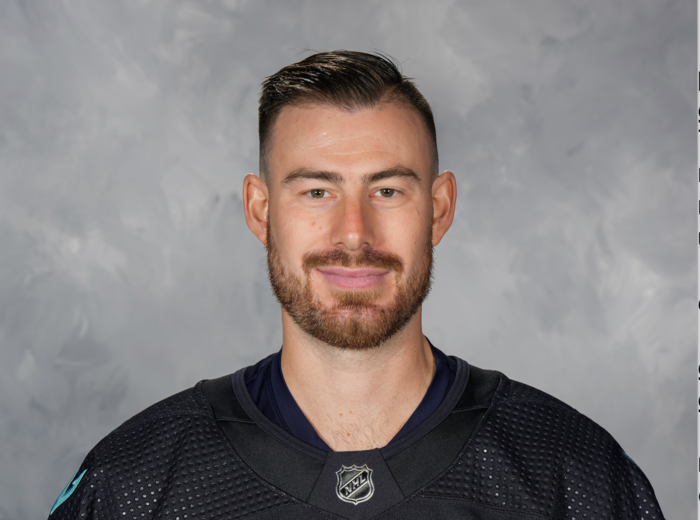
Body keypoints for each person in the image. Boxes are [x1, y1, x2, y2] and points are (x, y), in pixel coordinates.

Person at [48, 50, 665, 520]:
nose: (353, 232)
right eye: (317, 191)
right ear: (261, 211)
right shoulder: (135, 484)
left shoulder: (572, 476)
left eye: (387, 190)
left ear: (439, 209)